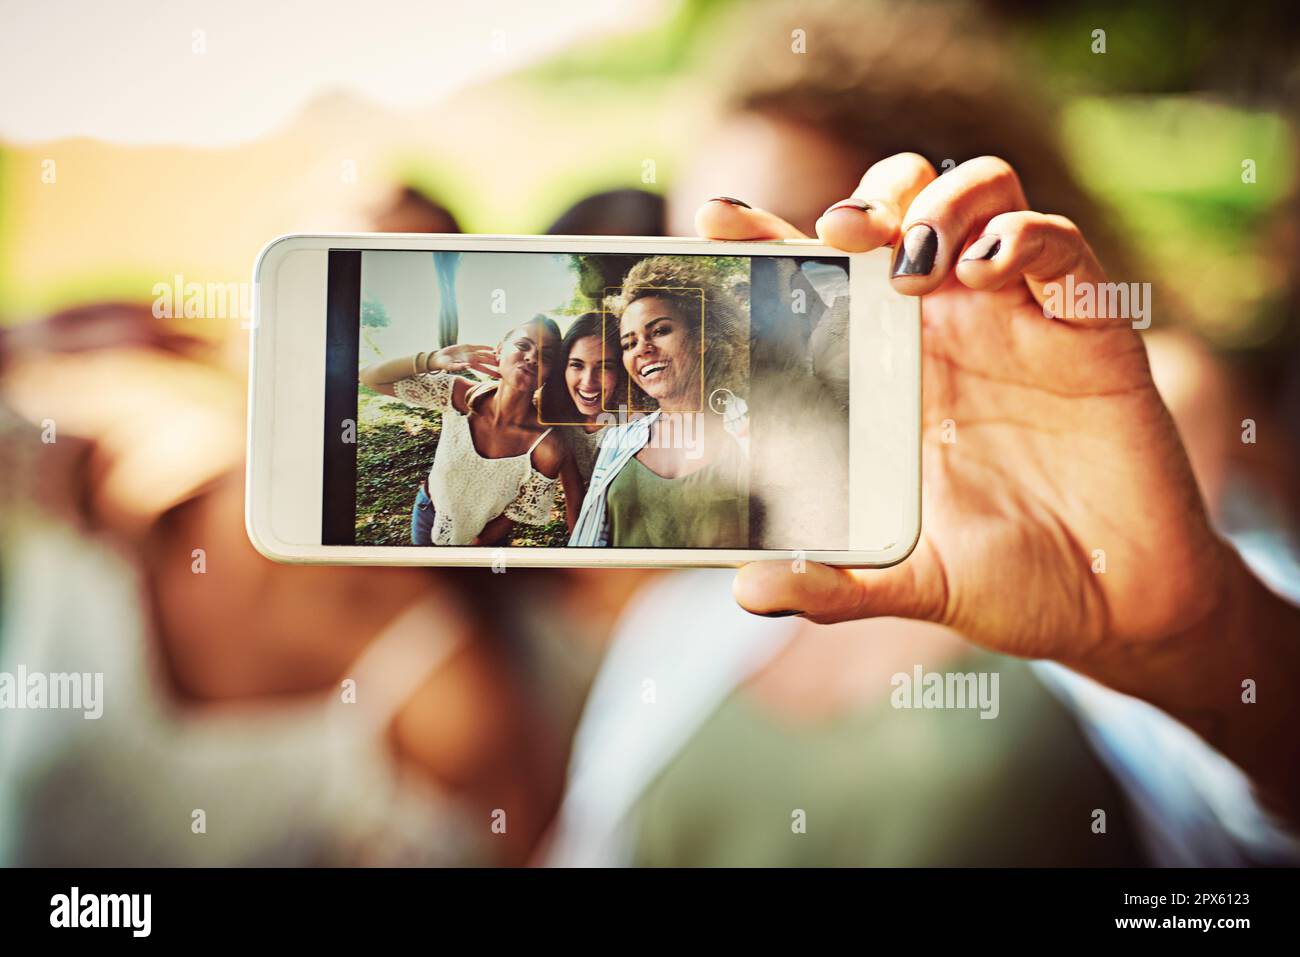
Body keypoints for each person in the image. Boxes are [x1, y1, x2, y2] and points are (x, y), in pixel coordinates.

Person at [568, 256, 750, 549]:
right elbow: (588, 543)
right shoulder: (618, 440)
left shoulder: (754, 430)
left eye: (660, 331)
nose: (643, 349)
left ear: (701, 338)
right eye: (629, 344)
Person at [360, 317, 583, 544]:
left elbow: (518, 511)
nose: (532, 357)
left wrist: (475, 547)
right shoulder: (457, 395)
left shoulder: (546, 446)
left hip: (485, 538)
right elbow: (370, 378)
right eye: (523, 345)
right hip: (427, 513)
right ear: (499, 351)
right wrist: (433, 359)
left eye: (545, 356)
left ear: (550, 372)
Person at [539, 313, 625, 488]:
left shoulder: (636, 423)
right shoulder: (554, 413)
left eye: (604, 367)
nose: (588, 382)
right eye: (577, 365)